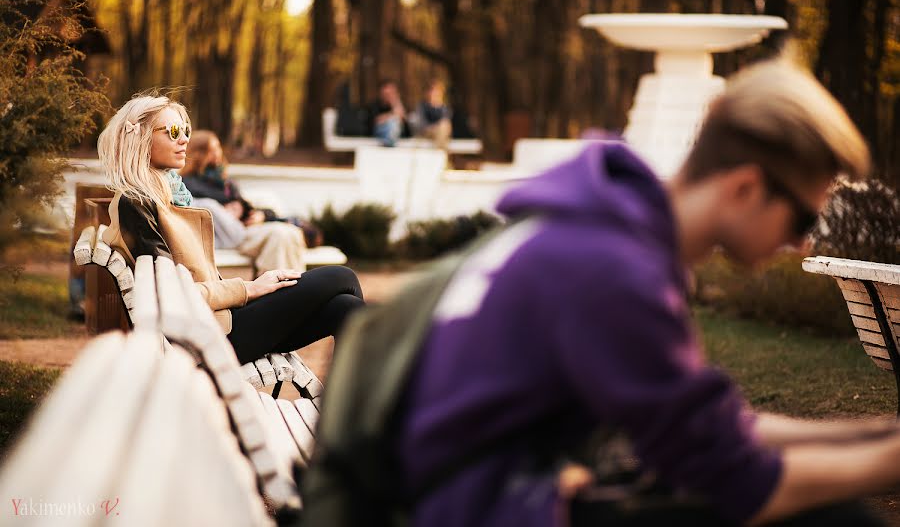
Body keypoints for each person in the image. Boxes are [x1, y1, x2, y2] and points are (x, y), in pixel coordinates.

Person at [303, 59, 900, 526]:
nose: (801, 245)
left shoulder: (598, 227)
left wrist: (881, 433)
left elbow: (711, 429)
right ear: (745, 188)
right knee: (822, 518)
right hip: (480, 512)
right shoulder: (610, 269)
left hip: (484, 495)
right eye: (803, 221)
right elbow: (739, 479)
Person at [96, 94, 364, 364]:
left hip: (220, 319)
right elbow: (171, 294)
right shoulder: (136, 203)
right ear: (140, 138)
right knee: (343, 276)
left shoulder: (166, 194)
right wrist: (250, 288)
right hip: (209, 336)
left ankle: (352, 405)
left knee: (346, 307)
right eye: (174, 131)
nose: (184, 139)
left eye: (185, 130)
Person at [181, 130, 323, 269]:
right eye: (210, 149)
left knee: (291, 232)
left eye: (218, 147)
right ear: (198, 153)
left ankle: (290, 286)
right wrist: (225, 211)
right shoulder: (187, 184)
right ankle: (280, 287)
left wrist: (256, 214)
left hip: (248, 227)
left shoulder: (226, 182)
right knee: (281, 235)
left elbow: (245, 205)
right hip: (233, 234)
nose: (217, 153)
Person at [411, 79, 452, 151]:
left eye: (437, 92)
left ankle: (440, 151)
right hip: (425, 132)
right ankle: (441, 152)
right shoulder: (422, 106)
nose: (434, 94)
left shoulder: (443, 107)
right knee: (443, 127)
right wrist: (434, 127)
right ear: (427, 93)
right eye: (432, 91)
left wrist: (437, 106)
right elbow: (421, 124)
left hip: (439, 133)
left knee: (444, 126)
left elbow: (446, 121)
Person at [370, 79, 406, 147]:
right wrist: (393, 115)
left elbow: (403, 120)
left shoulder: (398, 106)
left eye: (391, 93)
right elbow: (375, 121)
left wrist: (395, 102)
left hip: (397, 140)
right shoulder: (374, 106)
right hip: (380, 138)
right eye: (386, 94)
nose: (388, 96)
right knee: (392, 123)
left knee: (394, 123)